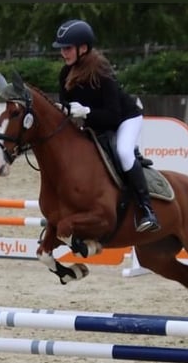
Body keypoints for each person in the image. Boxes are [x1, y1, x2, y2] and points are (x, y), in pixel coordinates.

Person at [52, 19, 159, 233]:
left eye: (68, 48)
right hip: (94, 124)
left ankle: (147, 210)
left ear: (83, 48)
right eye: (62, 48)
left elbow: (112, 115)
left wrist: (86, 112)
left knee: (124, 153)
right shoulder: (65, 74)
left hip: (125, 119)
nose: (64, 53)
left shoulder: (101, 71)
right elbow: (66, 107)